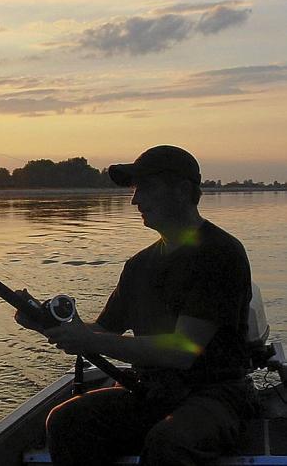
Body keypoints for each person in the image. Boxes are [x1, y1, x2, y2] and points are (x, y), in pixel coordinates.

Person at [15, 145, 256, 466]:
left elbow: (181, 352)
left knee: (170, 442)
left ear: (183, 191)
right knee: (67, 421)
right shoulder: (139, 265)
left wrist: (91, 340)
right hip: (151, 391)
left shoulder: (219, 254)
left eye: (146, 188)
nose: (135, 200)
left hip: (214, 394)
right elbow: (102, 330)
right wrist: (46, 323)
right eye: (134, 189)